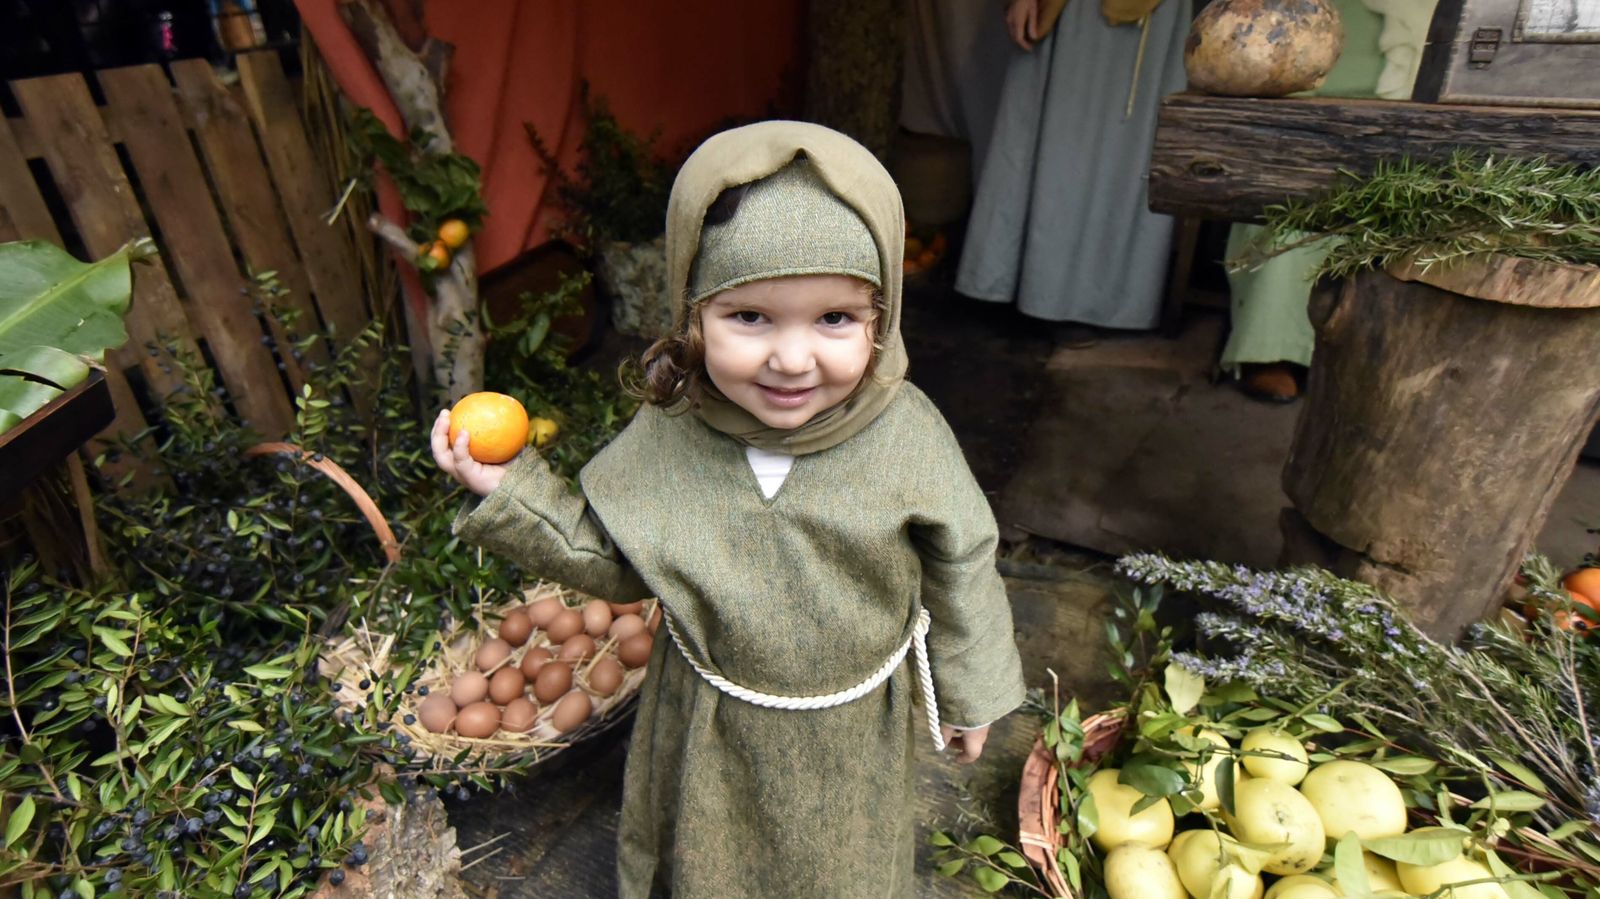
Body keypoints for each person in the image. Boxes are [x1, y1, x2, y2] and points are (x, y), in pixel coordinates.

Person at [432, 121, 1027, 898]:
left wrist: (973, 690)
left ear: (881, 318)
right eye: (749, 317)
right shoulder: (676, 431)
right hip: (708, 722)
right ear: (692, 314)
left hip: (849, 730)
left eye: (835, 318)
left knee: (841, 867)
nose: (792, 358)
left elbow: (962, 559)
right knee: (714, 862)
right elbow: (615, 558)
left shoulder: (904, 436)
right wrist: (510, 490)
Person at [955, 0, 1192, 336]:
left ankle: (1095, 302)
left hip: (1155, 14)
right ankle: (1023, 285)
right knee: (1056, 137)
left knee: (1127, 147)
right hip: (1070, 10)